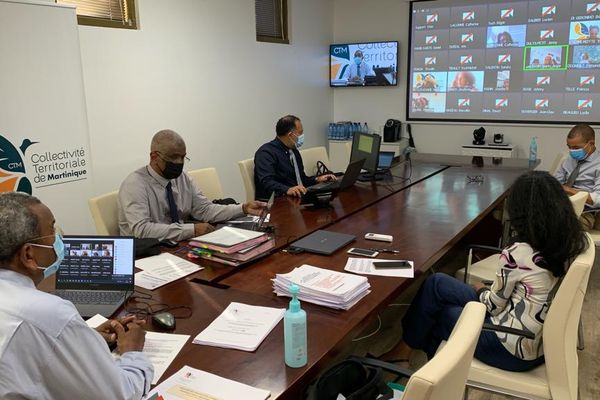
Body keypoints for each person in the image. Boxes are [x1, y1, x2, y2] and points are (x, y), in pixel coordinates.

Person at [376, 171, 587, 372]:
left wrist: (479, 291)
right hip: (538, 341)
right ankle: (402, 353)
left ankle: (435, 380)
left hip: (510, 347)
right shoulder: (572, 240)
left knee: (441, 314)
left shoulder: (520, 252)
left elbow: (493, 307)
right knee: (437, 282)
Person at [0, 192, 153, 399]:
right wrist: (132, 351)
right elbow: (119, 394)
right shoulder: (49, 314)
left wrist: (83, 337)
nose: (59, 238)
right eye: (52, 230)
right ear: (29, 254)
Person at [119, 129, 266, 241]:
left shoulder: (182, 178)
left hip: (177, 245)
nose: (179, 163)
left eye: (183, 157)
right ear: (154, 157)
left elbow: (205, 209)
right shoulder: (135, 185)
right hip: (146, 255)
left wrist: (243, 208)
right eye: (173, 157)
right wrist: (192, 230)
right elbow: (142, 230)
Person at [254, 115, 336, 200]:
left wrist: (317, 179)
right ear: (290, 135)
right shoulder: (266, 153)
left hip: (297, 197)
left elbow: (301, 179)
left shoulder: (293, 151)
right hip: (278, 202)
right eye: (300, 133)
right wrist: (287, 189)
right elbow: (268, 183)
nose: (302, 136)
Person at [553, 124, 600, 231]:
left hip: (584, 211)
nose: (572, 151)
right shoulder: (569, 160)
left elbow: (598, 199)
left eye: (576, 148)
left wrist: (568, 190)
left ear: (591, 144)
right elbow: (556, 181)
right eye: (569, 147)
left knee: (556, 223)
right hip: (563, 204)